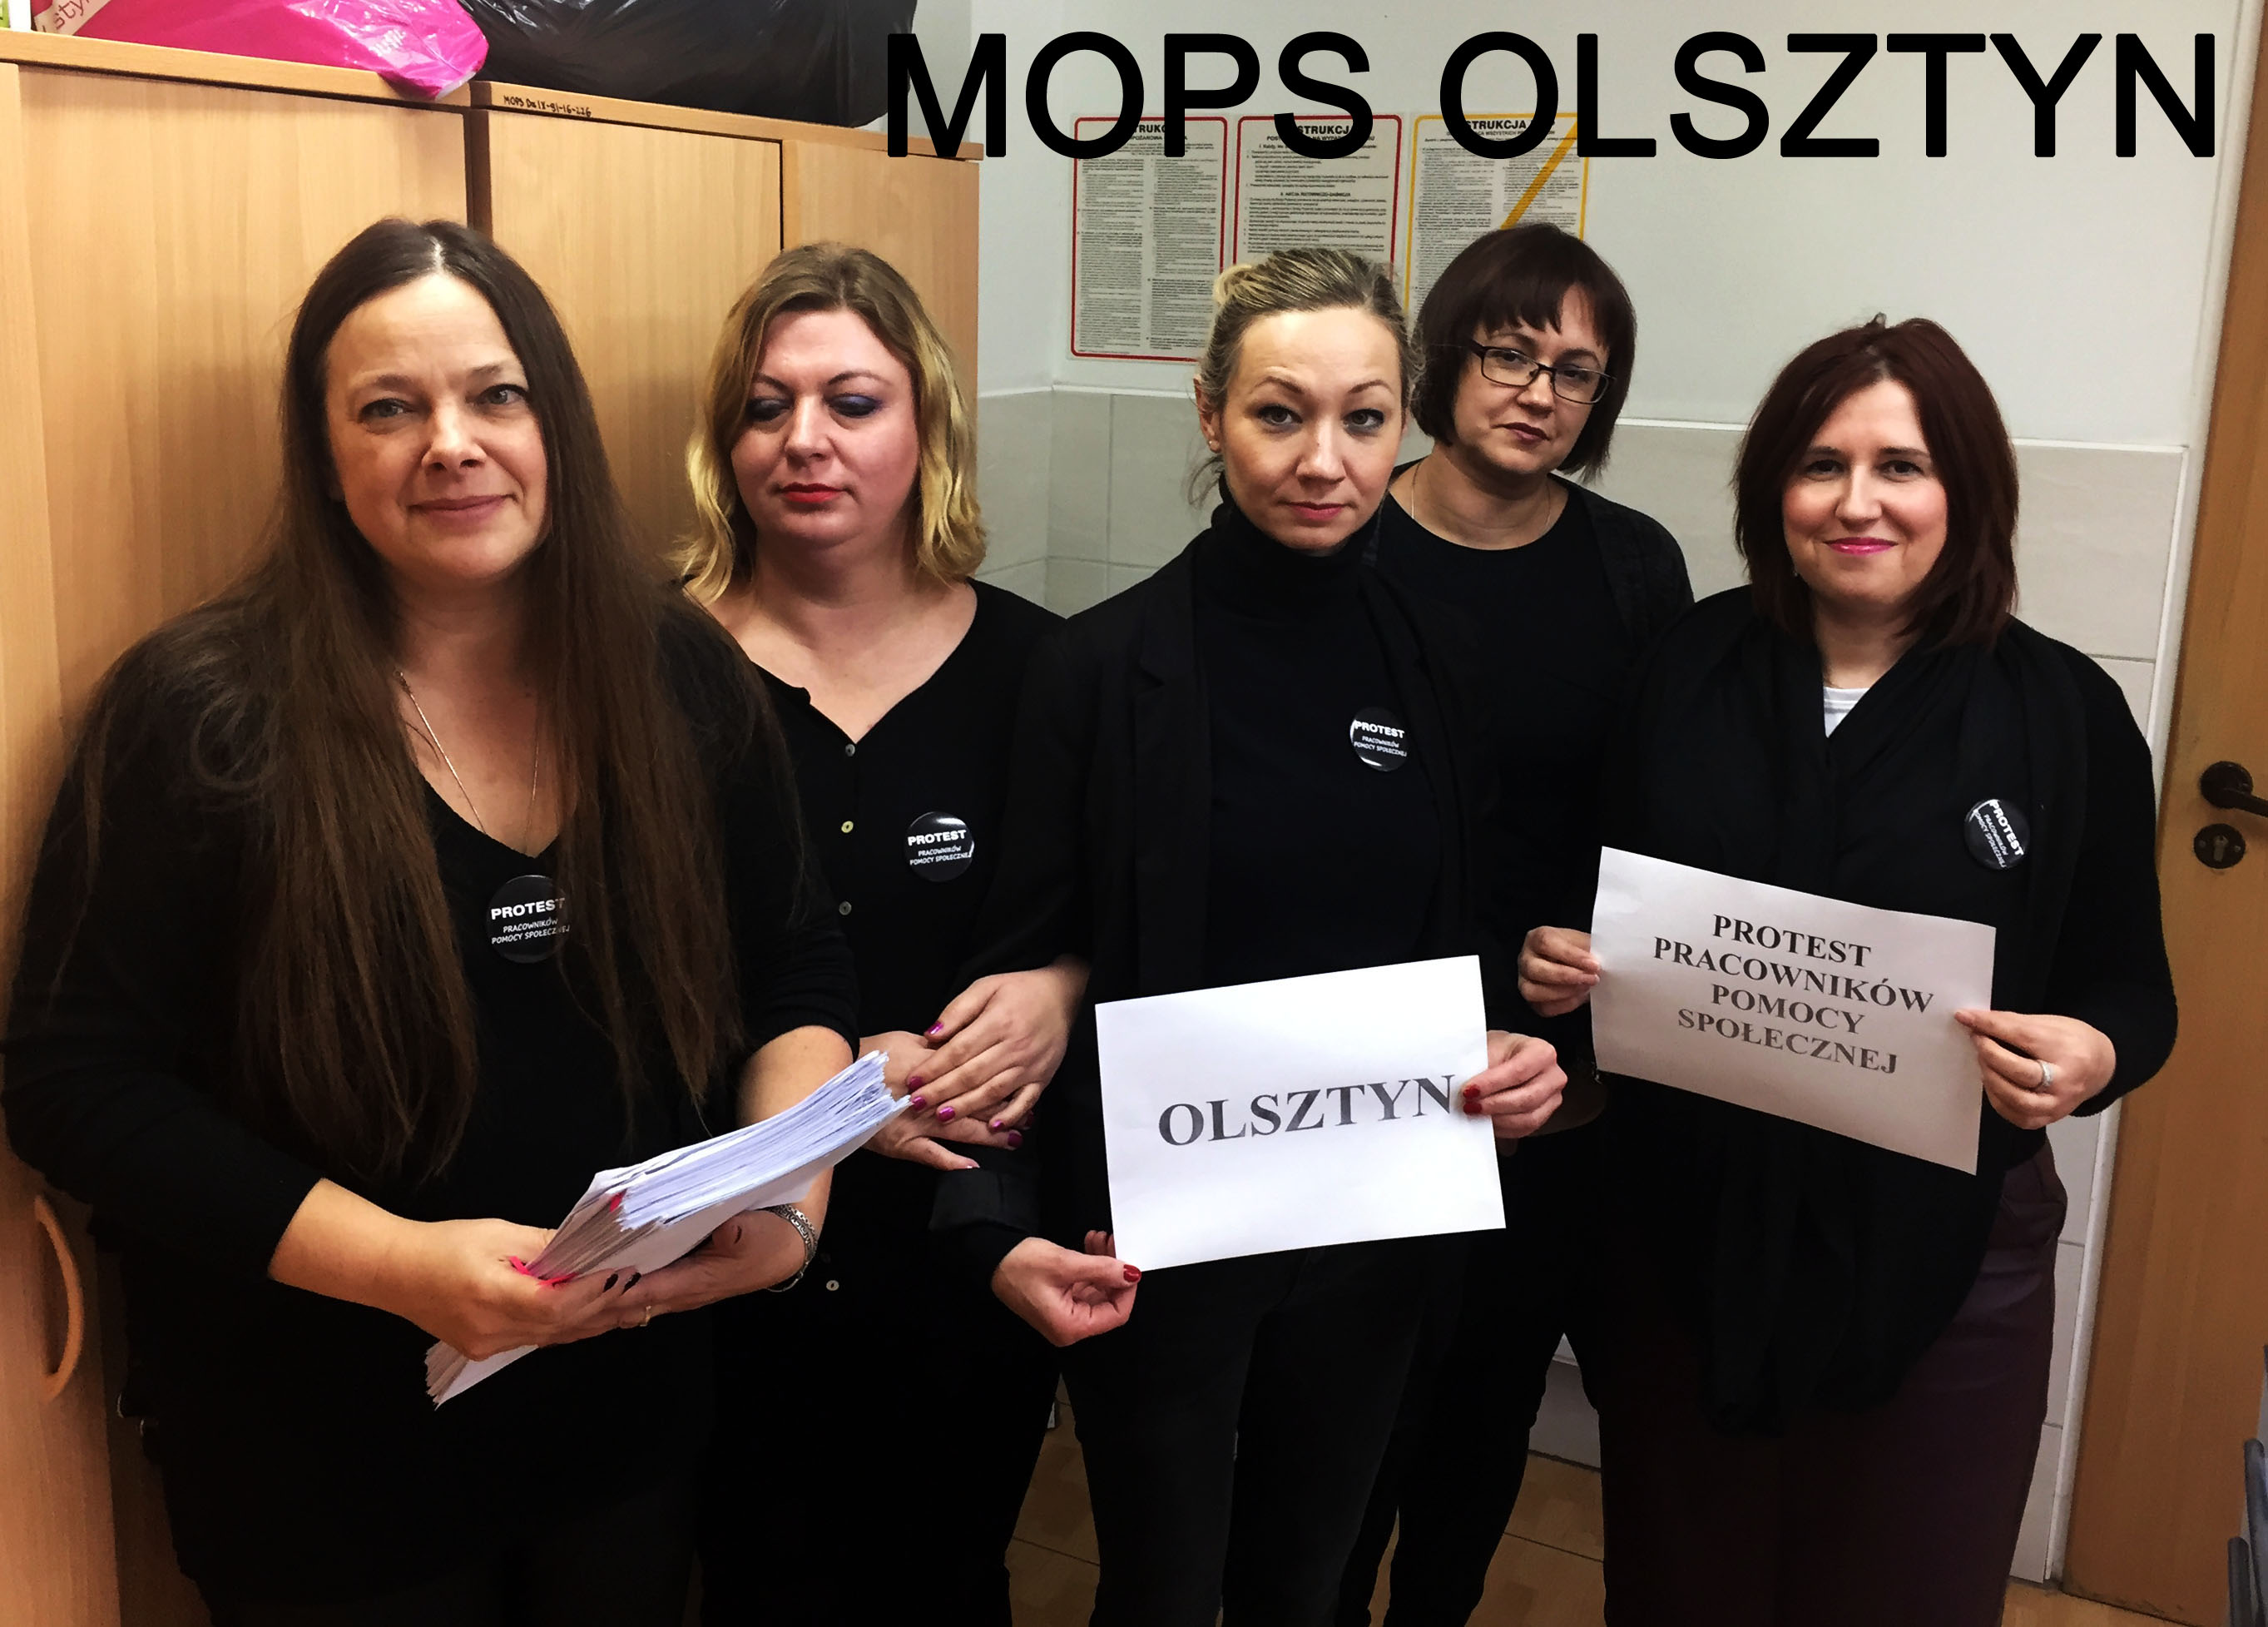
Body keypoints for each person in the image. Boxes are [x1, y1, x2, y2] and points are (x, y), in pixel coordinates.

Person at [1, 218, 859, 1626]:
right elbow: (73, 1084)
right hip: (316, 1453)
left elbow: (794, 965)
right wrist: (403, 1270)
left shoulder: (679, 675)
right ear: (325, 457)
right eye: (388, 409)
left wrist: (787, 1200)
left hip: (624, 1417)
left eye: (494, 395)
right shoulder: (199, 714)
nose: (450, 445)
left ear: (555, 424)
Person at [945, 246, 1569, 1627]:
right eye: (1280, 413)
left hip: (1371, 1215)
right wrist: (997, 1207)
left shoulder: (1435, 657)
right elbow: (1028, 958)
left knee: (1307, 1580)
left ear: (1403, 423)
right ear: (1210, 411)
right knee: (1162, 1589)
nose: (1322, 460)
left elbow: (1456, 936)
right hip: (1161, 1218)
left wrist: (1503, 1047)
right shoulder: (1097, 668)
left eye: (1364, 417)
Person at [1518, 317, 2177, 1625]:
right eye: (1820, 464)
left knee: (1901, 1588)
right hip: (1685, 1233)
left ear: (1966, 491)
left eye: (1902, 467)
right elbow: (1585, 905)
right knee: (1680, 1582)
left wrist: (2089, 1055)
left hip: (1945, 1250)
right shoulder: (1682, 672)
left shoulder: (2059, 713)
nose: (1856, 502)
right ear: (1773, 489)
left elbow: (2130, 992)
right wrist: (1552, 963)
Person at [677, 241, 1093, 1626]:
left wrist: (1061, 982)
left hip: (966, 1242)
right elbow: (608, 978)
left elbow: (1114, 910)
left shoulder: (1045, 672)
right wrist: (827, 1093)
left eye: (852, 402)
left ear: (928, 431)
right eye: (765, 406)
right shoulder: (651, 676)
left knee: (949, 1575)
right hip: (733, 1234)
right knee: (754, 1580)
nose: (804, 439)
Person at [1336, 223, 1691, 1627]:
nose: (1539, 393)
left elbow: (1662, 814)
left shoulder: (1632, 569)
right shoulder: (1340, 533)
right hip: (1355, 1058)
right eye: (1506, 354)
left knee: (1485, 1404)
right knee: (1346, 1409)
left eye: (1576, 373)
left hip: (1549, 1070)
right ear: (1444, 358)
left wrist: (1597, 949)